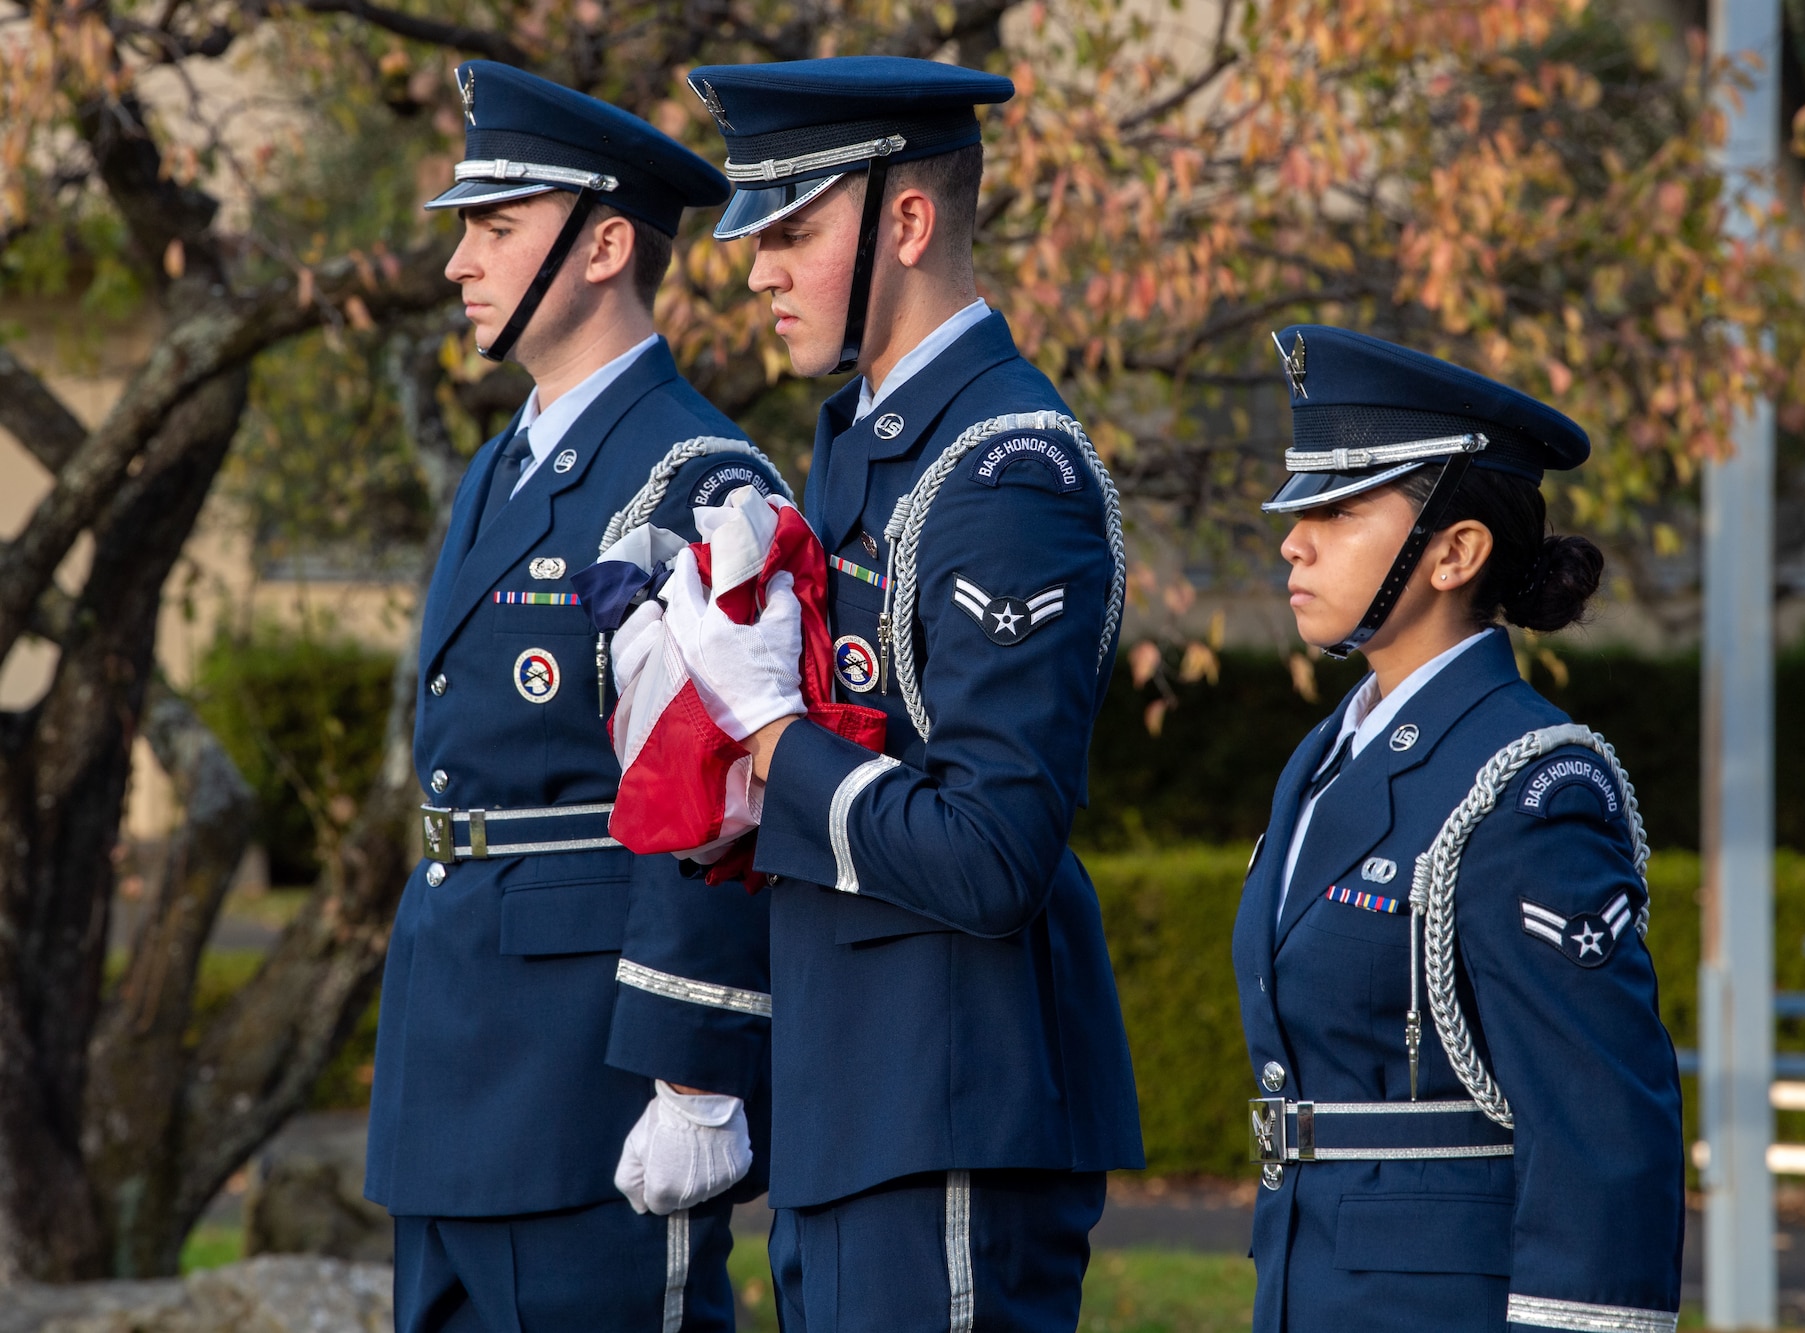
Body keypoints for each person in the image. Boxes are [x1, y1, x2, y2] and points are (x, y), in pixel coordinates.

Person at [662, 55, 1145, 1329]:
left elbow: (991, 854)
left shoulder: (1003, 470)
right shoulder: (868, 443)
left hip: (946, 1097)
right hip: (854, 1098)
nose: (757, 266)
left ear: (909, 221)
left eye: (795, 230)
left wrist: (770, 730)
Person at [364, 61, 786, 1333]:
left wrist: (693, 1073)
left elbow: (725, 793)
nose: (460, 264)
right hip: (454, 1044)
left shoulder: (693, 475)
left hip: (586, 1072)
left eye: (496, 229)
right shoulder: (504, 463)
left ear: (606, 245)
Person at [1232, 325, 1685, 1332]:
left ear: (1456, 552)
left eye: (1336, 509)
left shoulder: (1528, 782)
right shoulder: (1323, 757)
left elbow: (1601, 1135)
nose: (1290, 539)